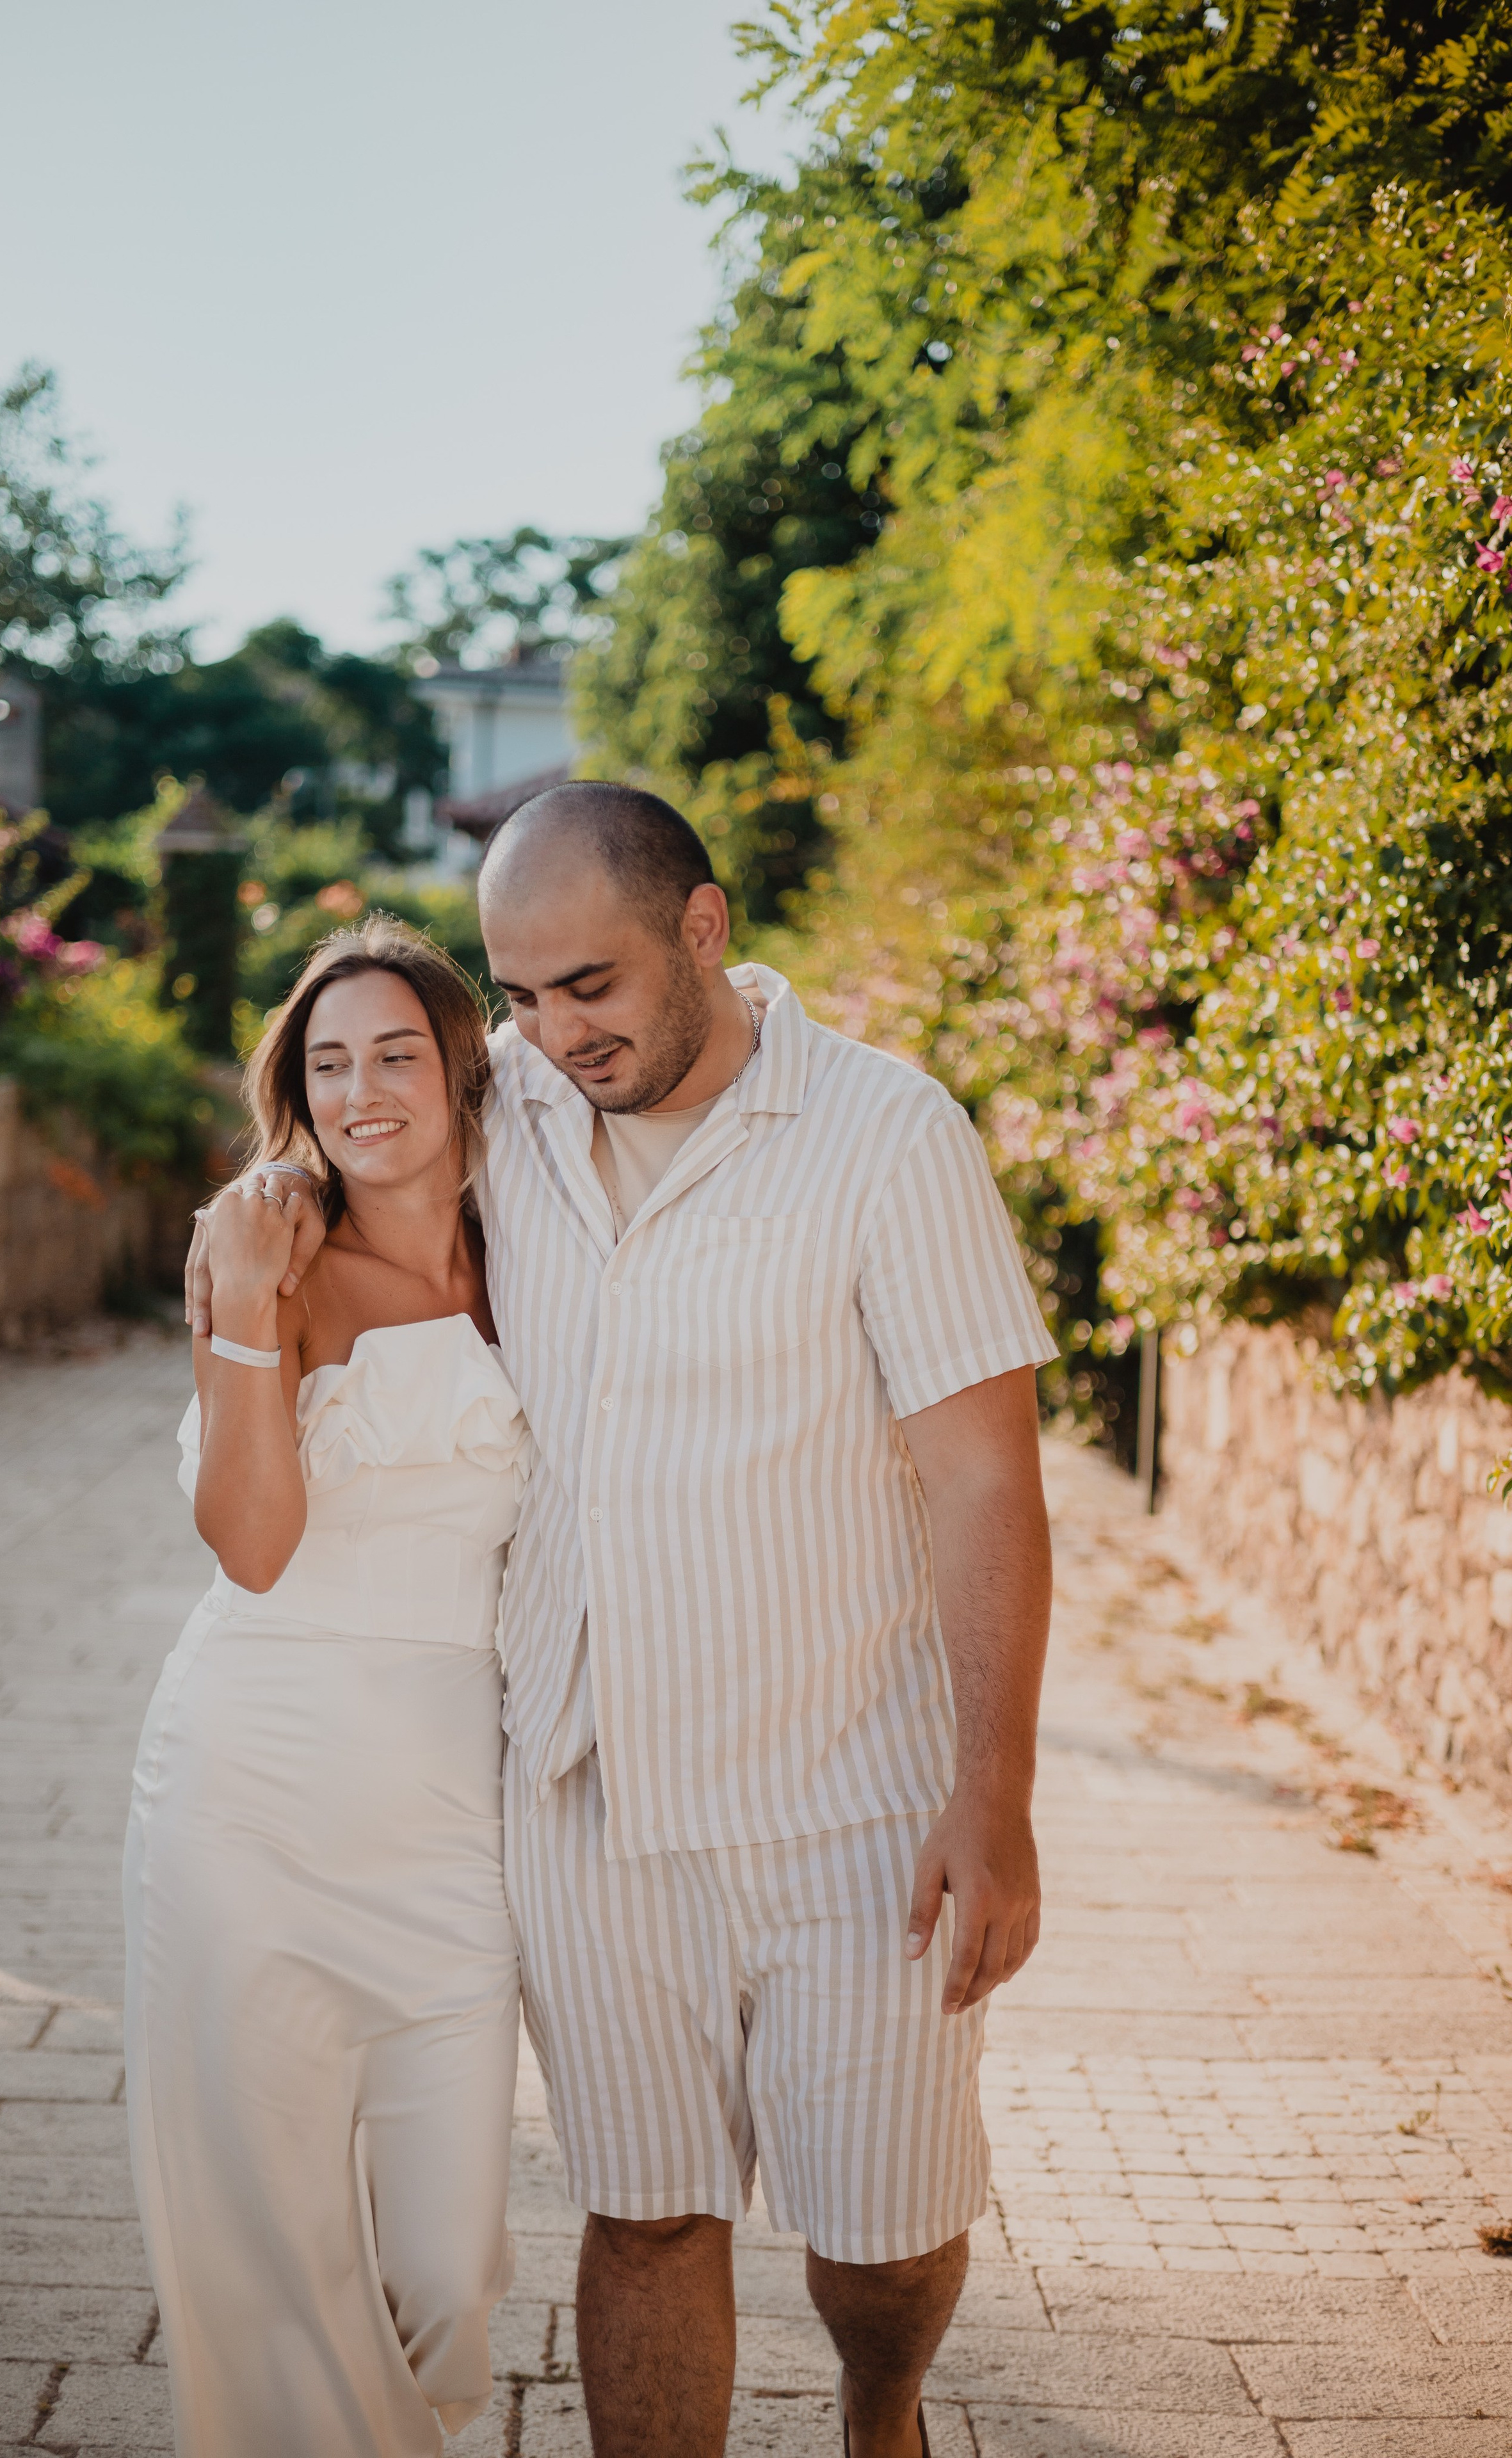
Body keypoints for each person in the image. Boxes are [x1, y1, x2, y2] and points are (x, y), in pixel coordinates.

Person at [191, 780, 1057, 2458]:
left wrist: (995, 1797)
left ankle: (883, 2414)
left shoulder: (891, 1137)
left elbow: (984, 1484)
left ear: (705, 930)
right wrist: (264, 1222)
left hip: (853, 1802)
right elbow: (356, 1140)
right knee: (649, 2217)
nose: (551, 1033)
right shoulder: (506, 1109)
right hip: (585, 1797)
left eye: (589, 985)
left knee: (880, 2238)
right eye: (515, 997)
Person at [130, 921, 526, 2458]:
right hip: (253, 1784)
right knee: (271, 2241)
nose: (364, 1092)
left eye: (398, 1055)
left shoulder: (542, 1248)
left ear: (463, 1067)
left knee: (445, 2270)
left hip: (453, 1808)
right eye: (329, 1061)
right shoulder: (272, 1262)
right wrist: (238, 1308)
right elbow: (253, 1547)